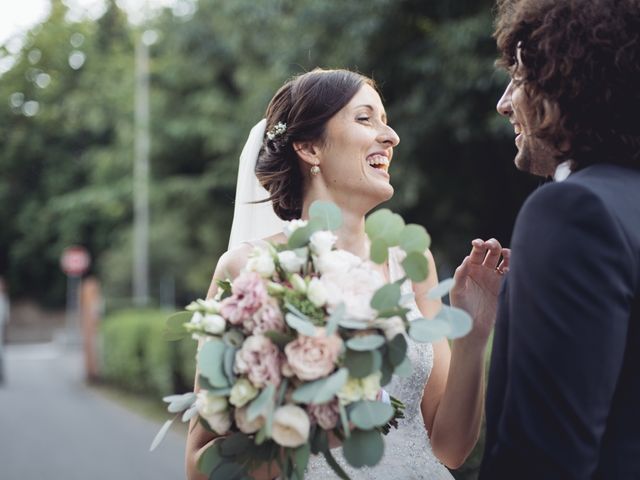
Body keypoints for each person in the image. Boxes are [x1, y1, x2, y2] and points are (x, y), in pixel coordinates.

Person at [185, 68, 506, 479]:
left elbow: (450, 447)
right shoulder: (250, 271)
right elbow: (199, 465)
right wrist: (313, 429)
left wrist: (474, 335)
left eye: (386, 122)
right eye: (365, 118)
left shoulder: (413, 262)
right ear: (309, 147)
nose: (391, 137)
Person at [459, 0, 640, 478]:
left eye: (517, 78)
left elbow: (543, 457)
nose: (503, 103)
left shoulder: (574, 211)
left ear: (569, 82)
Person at [0, 277, 10, 385]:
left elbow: (6, 318)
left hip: (1, 330)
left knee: (1, 355)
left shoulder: (4, 299)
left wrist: (6, 335)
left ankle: (1, 376)